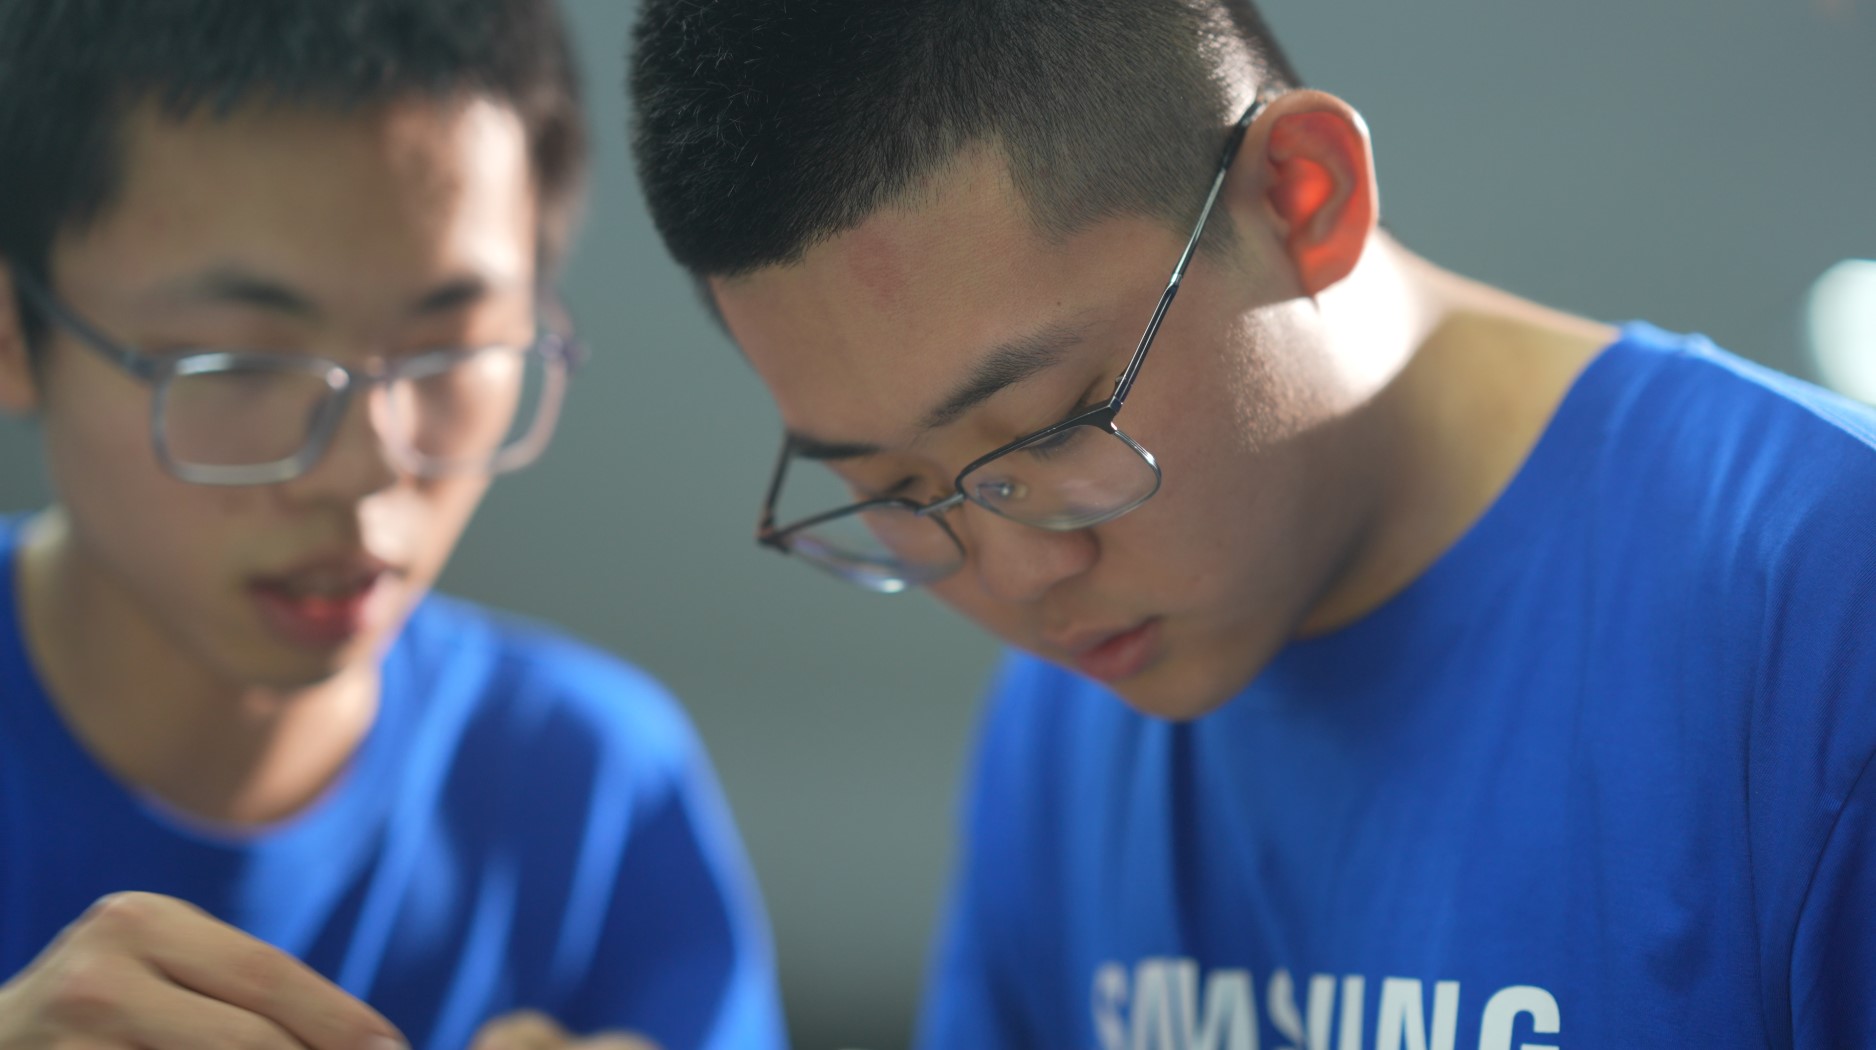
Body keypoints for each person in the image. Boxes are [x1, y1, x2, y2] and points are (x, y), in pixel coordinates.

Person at [627, 1, 1876, 1046]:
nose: (1015, 578)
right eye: (898, 493)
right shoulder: (1073, 710)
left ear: (1299, 194)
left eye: (1053, 428)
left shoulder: (1809, 603)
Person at [0, 3, 785, 1048]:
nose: (366, 472)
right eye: (238, 363)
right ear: (14, 334)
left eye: (453, 351)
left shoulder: (588, 796)